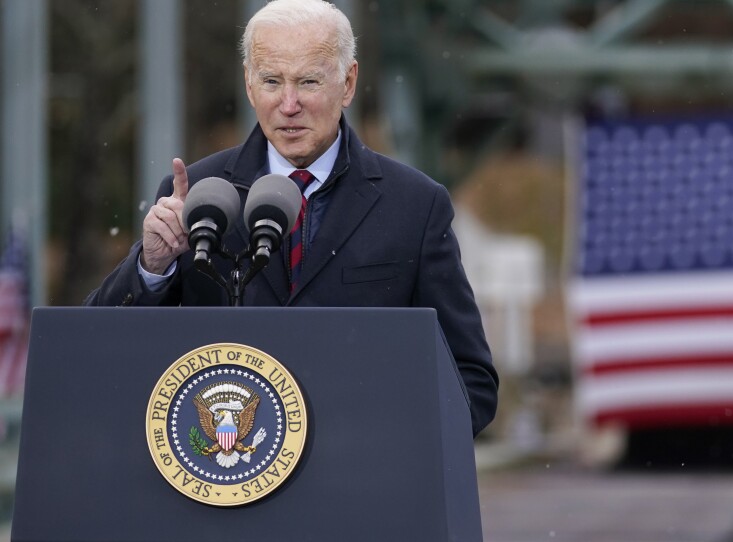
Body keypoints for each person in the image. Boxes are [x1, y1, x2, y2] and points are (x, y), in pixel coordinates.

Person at [85, 0, 498, 436]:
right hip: (229, 479)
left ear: (348, 83)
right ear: (248, 84)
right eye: (271, 81)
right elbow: (98, 352)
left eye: (308, 81)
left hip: (361, 488)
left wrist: (384, 444)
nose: (288, 104)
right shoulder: (195, 194)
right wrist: (151, 267)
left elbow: (471, 383)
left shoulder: (414, 205)